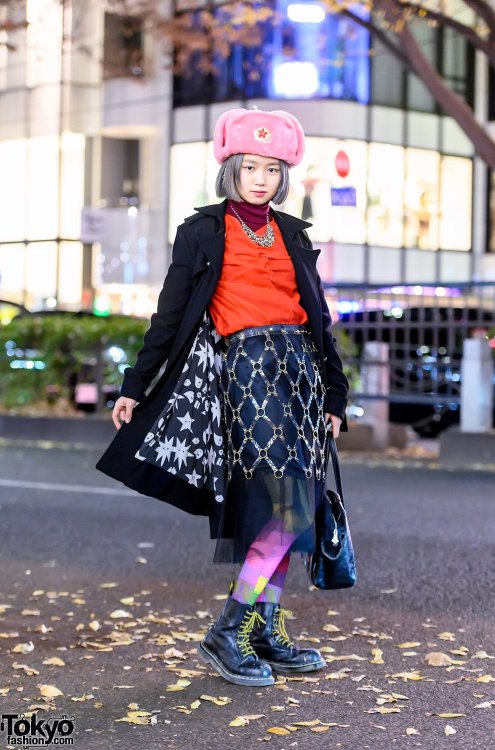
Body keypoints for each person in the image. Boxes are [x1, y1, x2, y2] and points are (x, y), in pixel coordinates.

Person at [96, 107, 349, 688]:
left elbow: (319, 320)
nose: (260, 178)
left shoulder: (292, 233)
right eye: (249, 167)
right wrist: (136, 385)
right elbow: (171, 313)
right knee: (282, 507)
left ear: (283, 176)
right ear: (230, 168)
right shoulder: (203, 231)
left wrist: (335, 392)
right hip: (246, 374)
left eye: (271, 169)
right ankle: (228, 631)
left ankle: (265, 627)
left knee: (297, 502)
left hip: (300, 374)